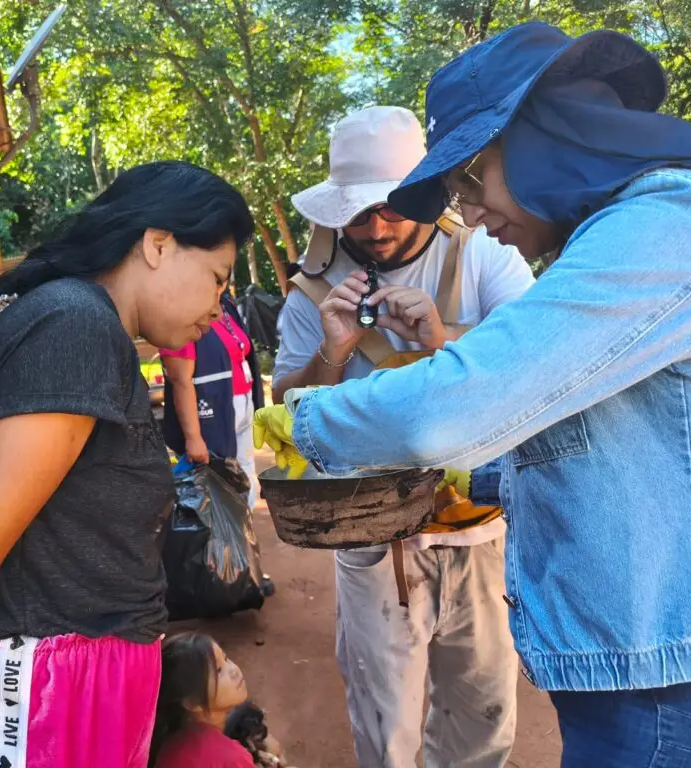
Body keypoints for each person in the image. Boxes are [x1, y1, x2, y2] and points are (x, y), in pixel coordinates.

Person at [254, 23, 691, 767]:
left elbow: (448, 407)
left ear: (539, 142)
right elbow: (606, 436)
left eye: (470, 182)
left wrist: (304, 423)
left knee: (478, 714)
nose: (472, 213)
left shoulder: (675, 224)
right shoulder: (625, 236)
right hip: (645, 657)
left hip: (676, 672)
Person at [0, 161, 253, 768]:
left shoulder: (84, 327)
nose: (219, 306)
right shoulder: (76, 327)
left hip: (65, 686)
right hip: (36, 693)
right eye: (217, 277)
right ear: (158, 245)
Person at [273, 105, 533, 768]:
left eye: (392, 206)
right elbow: (286, 409)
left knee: (485, 724)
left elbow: (537, 363)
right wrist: (334, 351)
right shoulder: (311, 290)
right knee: (386, 733)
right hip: (370, 537)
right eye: (359, 212)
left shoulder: (488, 254)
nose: (377, 225)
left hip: (480, 530)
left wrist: (445, 342)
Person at [161, 291, 264, 508]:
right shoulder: (182, 312)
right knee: (218, 487)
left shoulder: (226, 306)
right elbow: (180, 380)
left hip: (241, 403)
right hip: (211, 412)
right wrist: (193, 437)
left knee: (245, 476)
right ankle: (222, 541)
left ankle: (243, 535)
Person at [151, 633, 256, 768]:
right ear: (191, 702)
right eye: (219, 670)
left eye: (226, 659)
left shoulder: (170, 737)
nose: (233, 670)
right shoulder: (230, 759)